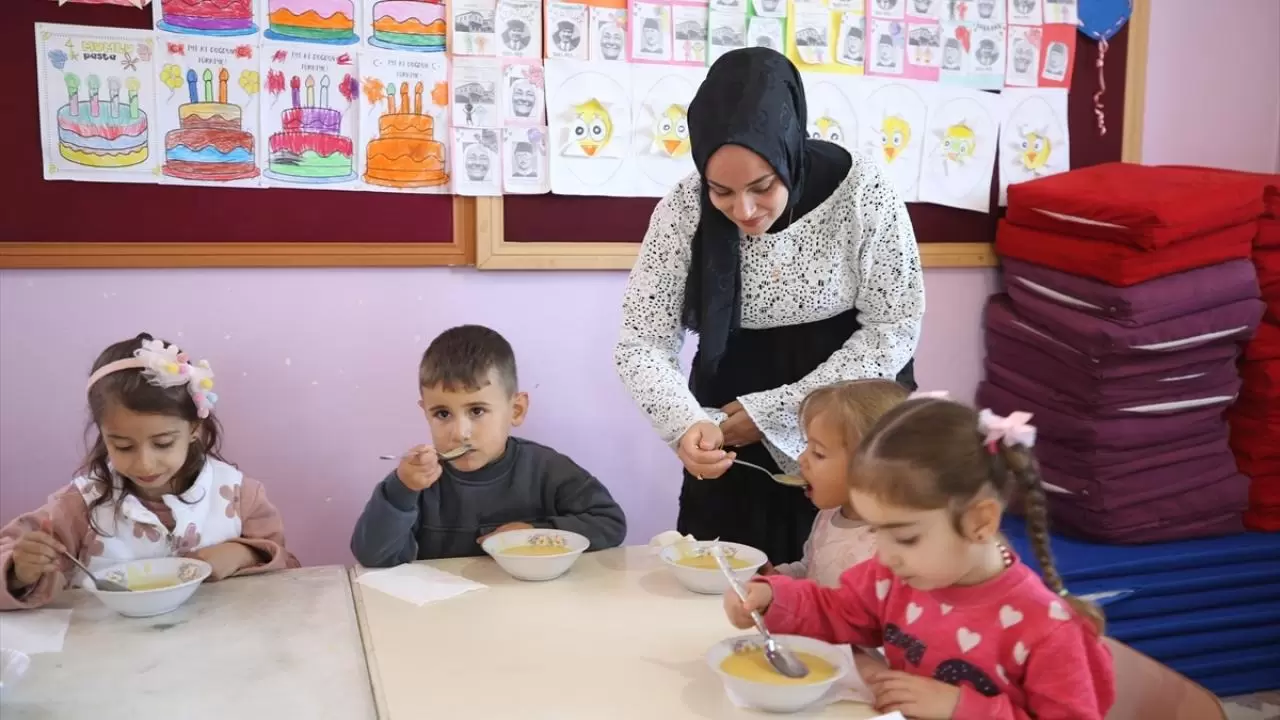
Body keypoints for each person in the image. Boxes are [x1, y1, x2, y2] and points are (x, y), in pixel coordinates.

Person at [613, 47, 923, 565]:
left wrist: (775, 411)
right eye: (722, 192)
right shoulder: (683, 207)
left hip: (845, 420)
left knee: (846, 578)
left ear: (789, 152)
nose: (745, 210)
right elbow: (641, 341)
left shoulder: (861, 189)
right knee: (723, 580)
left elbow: (893, 325)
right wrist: (686, 425)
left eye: (763, 187)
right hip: (727, 427)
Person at [723, 398, 1116, 719]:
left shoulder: (1049, 631)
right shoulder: (895, 578)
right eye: (878, 532)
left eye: (906, 537)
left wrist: (961, 707)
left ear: (980, 521)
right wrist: (773, 599)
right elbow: (835, 610)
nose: (887, 555)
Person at [1, 334, 299, 610]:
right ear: (104, 435)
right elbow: (14, 552)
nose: (144, 464)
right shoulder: (79, 505)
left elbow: (290, 575)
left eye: (163, 443)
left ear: (195, 428)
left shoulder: (238, 496)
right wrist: (19, 571)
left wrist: (244, 553)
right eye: (123, 446)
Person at [351, 325, 627, 565]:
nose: (460, 433)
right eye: (443, 414)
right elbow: (373, 556)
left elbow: (610, 523)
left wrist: (534, 533)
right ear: (425, 412)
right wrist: (402, 490)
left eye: (477, 411)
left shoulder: (546, 469)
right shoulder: (417, 481)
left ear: (516, 410)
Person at [766, 379, 910, 587]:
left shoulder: (894, 547)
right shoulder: (827, 516)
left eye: (818, 453)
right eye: (807, 446)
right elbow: (811, 570)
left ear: (871, 468)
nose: (801, 459)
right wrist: (778, 577)